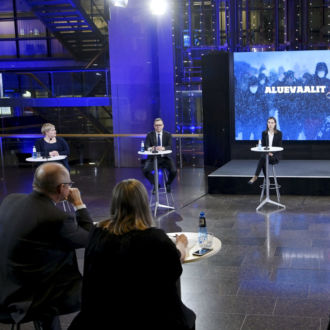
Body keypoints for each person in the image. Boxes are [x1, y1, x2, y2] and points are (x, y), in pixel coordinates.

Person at [68, 178, 196, 330]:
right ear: (143, 204)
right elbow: (176, 259)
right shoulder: (155, 238)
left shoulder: (98, 233)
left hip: (101, 317)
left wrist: (78, 204)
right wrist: (181, 243)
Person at [0, 162, 93, 330]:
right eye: (69, 184)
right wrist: (78, 204)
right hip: (29, 295)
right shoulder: (57, 218)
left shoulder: (10, 199)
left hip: (5, 282)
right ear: (62, 188)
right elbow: (89, 239)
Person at [142, 118, 177, 192]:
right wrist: (152, 148)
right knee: (145, 170)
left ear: (163, 126)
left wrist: (163, 148)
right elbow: (146, 146)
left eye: (160, 125)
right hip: (153, 158)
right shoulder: (150, 135)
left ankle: (168, 183)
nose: (158, 127)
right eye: (156, 125)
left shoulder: (167, 134)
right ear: (154, 126)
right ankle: (156, 184)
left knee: (174, 171)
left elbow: (170, 146)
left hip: (165, 158)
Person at [248, 116, 282, 184]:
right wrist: (259, 147)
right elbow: (263, 146)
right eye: (269, 122)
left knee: (263, 158)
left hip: (274, 156)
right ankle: (266, 179)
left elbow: (279, 147)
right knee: (264, 158)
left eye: (272, 123)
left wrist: (272, 154)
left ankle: (257, 176)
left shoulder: (279, 133)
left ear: (275, 124)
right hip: (266, 155)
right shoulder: (264, 133)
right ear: (267, 123)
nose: (270, 124)